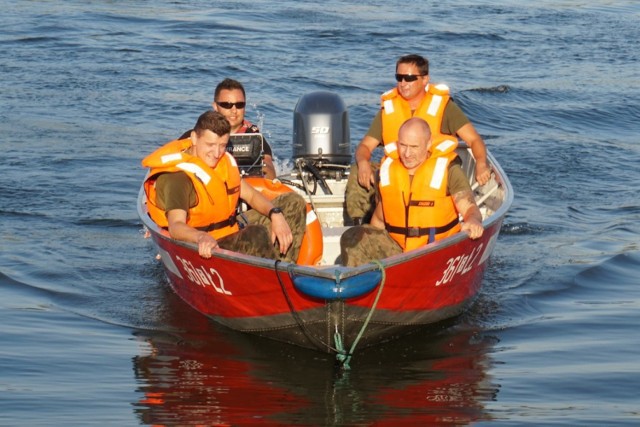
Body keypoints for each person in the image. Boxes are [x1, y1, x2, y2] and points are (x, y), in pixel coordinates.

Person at [345, 54, 491, 224]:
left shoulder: (445, 108)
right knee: (357, 170)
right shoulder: (389, 109)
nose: (403, 83)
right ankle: (360, 226)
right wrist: (363, 162)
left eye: (409, 78)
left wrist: (481, 163)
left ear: (424, 80)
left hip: (431, 176)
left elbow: (474, 140)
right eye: (399, 77)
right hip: (395, 173)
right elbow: (365, 146)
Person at [143, 110, 306, 261]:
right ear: (194, 138)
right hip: (203, 245)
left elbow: (250, 195)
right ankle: (273, 277)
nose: (216, 153)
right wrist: (201, 237)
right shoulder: (177, 178)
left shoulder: (223, 162)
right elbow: (176, 226)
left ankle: (284, 269)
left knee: (293, 201)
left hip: (230, 230)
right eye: (210, 145)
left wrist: (275, 214)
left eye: (222, 145)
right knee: (255, 234)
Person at [340, 117, 484, 267]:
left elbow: (471, 209)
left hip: (438, 250)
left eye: (414, 147)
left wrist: (472, 220)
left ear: (428, 144)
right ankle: (365, 286)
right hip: (398, 251)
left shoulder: (449, 170)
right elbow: (379, 220)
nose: (407, 154)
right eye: (403, 145)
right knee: (353, 237)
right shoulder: (388, 171)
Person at [179, 78, 277, 179]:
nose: (234, 110)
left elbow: (268, 168)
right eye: (227, 105)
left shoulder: (255, 139)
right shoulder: (197, 135)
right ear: (215, 107)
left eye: (239, 105)